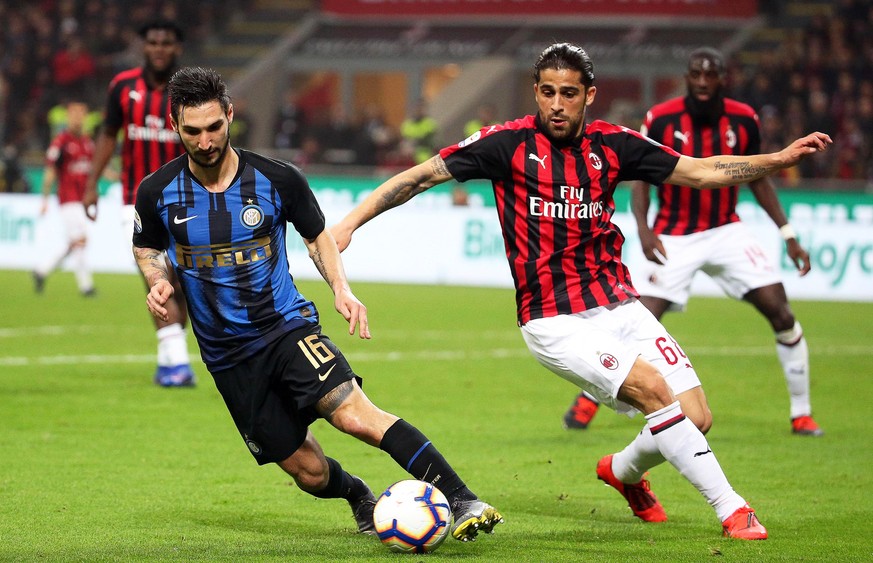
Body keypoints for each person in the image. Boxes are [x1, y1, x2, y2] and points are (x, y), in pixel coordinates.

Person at [331, 43, 832, 540]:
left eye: (568, 93)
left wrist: (779, 158)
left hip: (618, 303)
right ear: (536, 91)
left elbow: (699, 171)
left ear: (588, 95)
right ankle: (734, 510)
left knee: (696, 417)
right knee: (657, 393)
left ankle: (622, 471)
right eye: (547, 92)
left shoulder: (614, 145)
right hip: (553, 318)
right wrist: (350, 223)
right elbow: (420, 177)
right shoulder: (505, 145)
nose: (556, 104)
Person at [132, 66, 503, 543]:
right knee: (307, 471)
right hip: (228, 358)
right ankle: (359, 497)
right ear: (174, 125)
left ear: (229, 115)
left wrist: (341, 289)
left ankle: (462, 498)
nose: (205, 142)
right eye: (193, 131)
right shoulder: (157, 192)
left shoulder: (277, 179)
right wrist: (158, 279)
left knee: (355, 415)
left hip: (286, 329)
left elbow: (318, 239)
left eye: (214, 128)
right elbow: (147, 247)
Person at [562, 47, 824, 437]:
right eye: (695, 74)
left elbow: (758, 177)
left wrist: (787, 234)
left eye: (710, 74)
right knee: (637, 317)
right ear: (687, 77)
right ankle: (588, 398)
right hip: (673, 234)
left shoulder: (743, 119)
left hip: (726, 229)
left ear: (723, 78)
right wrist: (644, 227)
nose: (702, 81)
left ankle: (801, 413)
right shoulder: (661, 118)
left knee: (780, 312)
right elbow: (640, 175)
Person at [83, 20, 194, 387]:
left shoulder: (190, 90)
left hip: (186, 199)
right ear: (143, 47)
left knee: (184, 286)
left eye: (166, 42)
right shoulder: (123, 86)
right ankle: (176, 362)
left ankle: (169, 358)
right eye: (152, 42)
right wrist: (91, 183)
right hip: (135, 200)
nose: (159, 48)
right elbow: (108, 135)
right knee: (156, 278)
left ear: (177, 48)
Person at [33, 100, 96, 297]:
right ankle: (86, 287)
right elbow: (50, 171)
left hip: (83, 201)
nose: (78, 118)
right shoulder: (61, 142)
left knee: (74, 242)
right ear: (68, 116)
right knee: (81, 240)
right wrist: (44, 199)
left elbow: (95, 169)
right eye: (74, 114)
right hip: (68, 200)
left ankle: (41, 270)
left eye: (81, 114)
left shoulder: (88, 143)